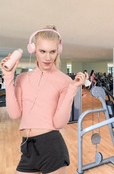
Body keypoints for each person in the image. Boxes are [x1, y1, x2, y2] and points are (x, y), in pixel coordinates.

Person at [0, 25, 85, 174]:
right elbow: (14, 114)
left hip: (51, 146)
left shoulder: (64, 80)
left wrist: (72, 89)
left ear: (58, 50)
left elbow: (59, 123)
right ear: (33, 49)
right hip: (27, 147)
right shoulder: (22, 78)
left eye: (52, 51)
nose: (48, 57)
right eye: (43, 51)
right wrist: (8, 77)